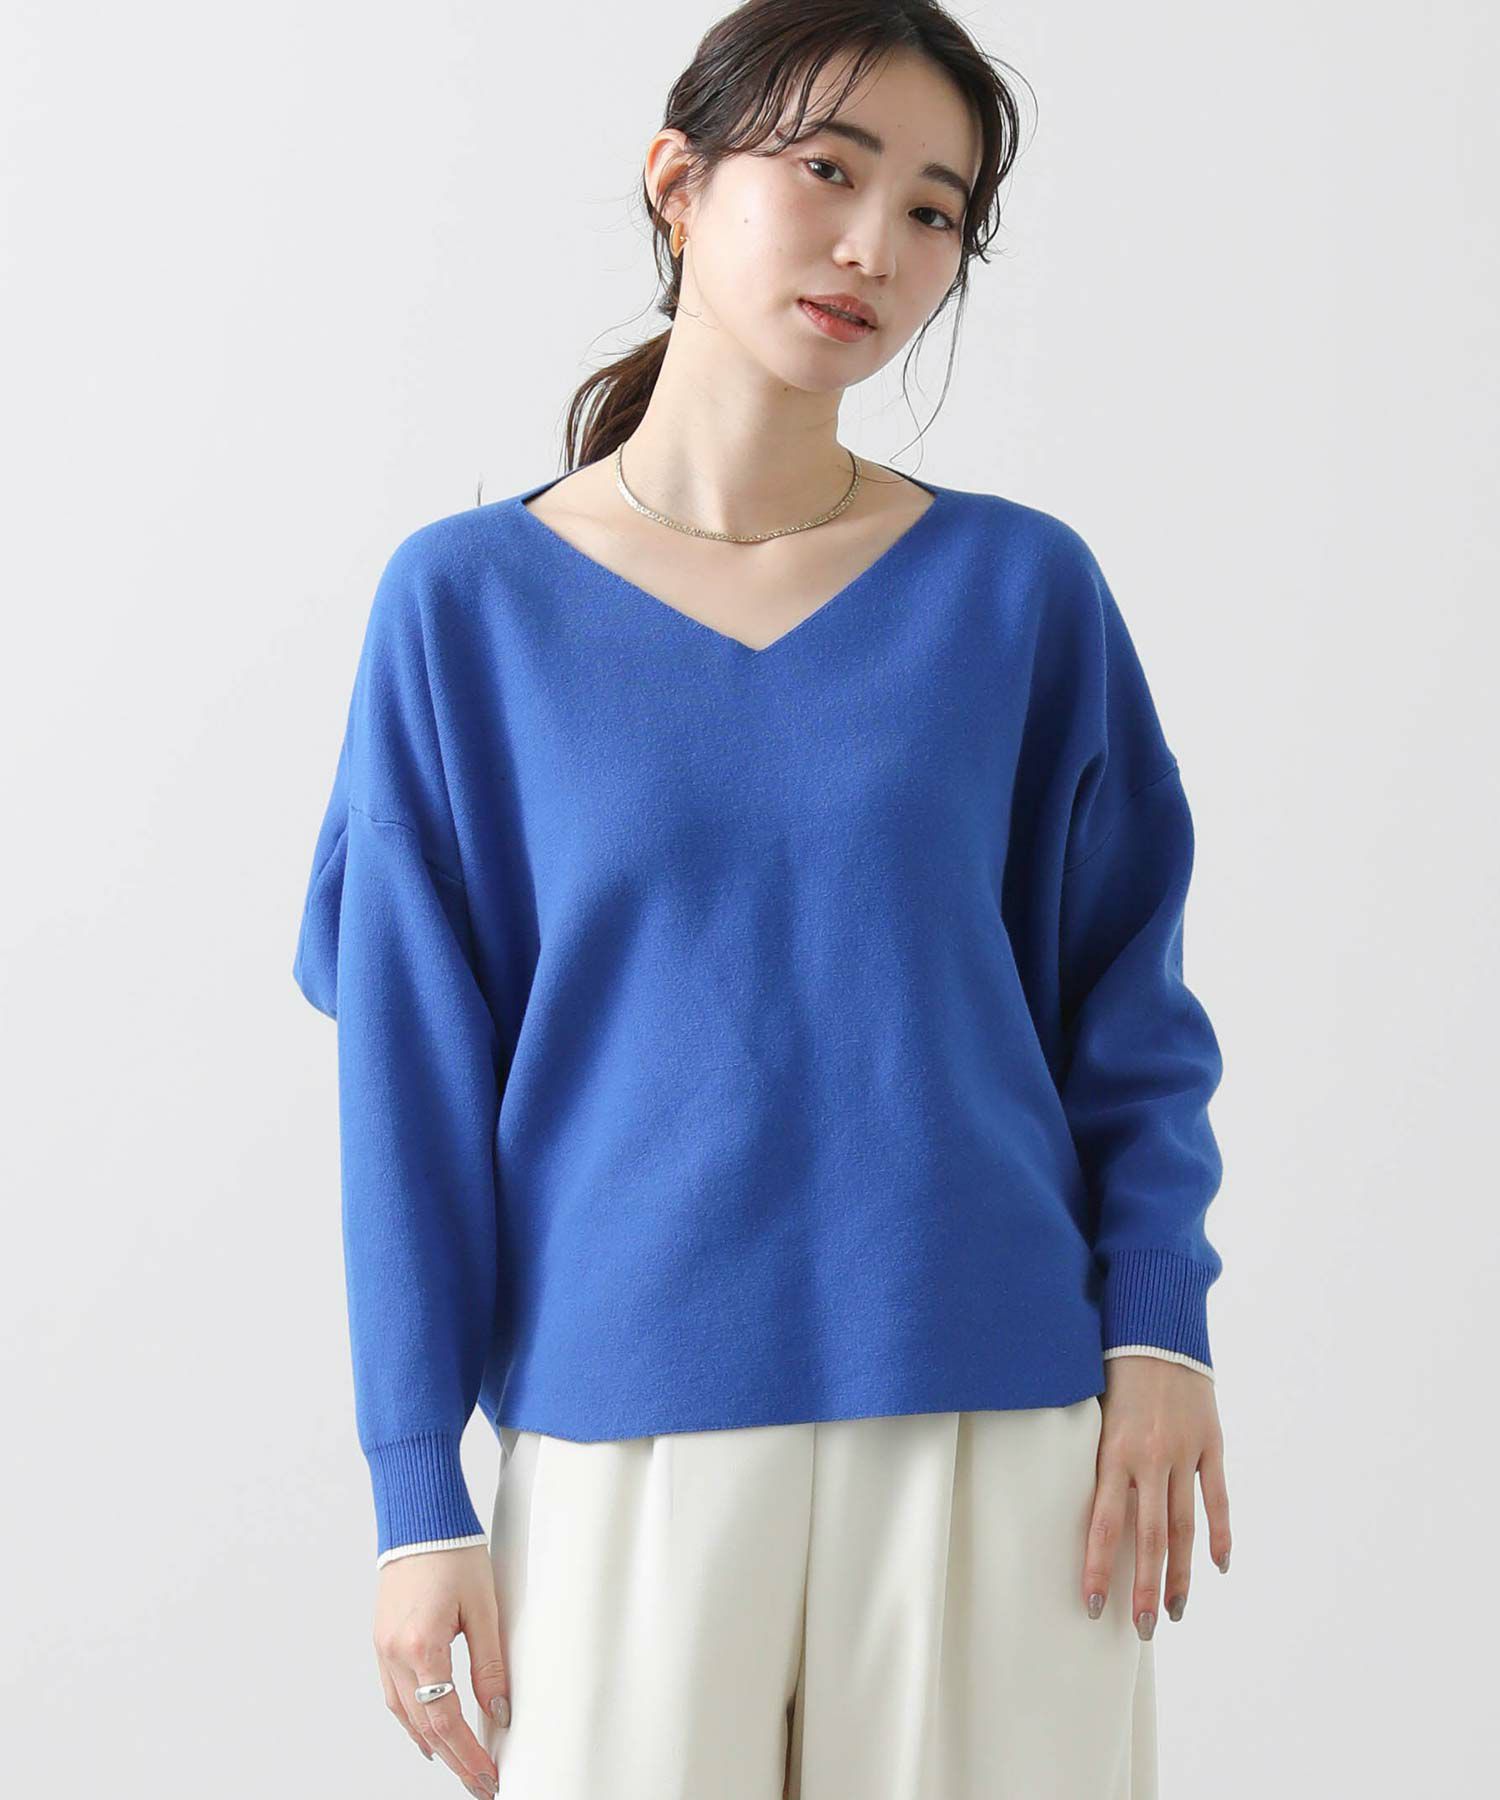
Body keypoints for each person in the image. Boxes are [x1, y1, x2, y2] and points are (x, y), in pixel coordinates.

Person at [292, 3, 1232, 1795]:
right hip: (622, 1435)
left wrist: (1156, 1321)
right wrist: (418, 1492)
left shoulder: (1020, 592)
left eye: (936, 210)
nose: (877, 244)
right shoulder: (466, 609)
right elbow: (406, 1081)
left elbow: (1128, 999)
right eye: (827, 170)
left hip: (997, 1414)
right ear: (678, 181)